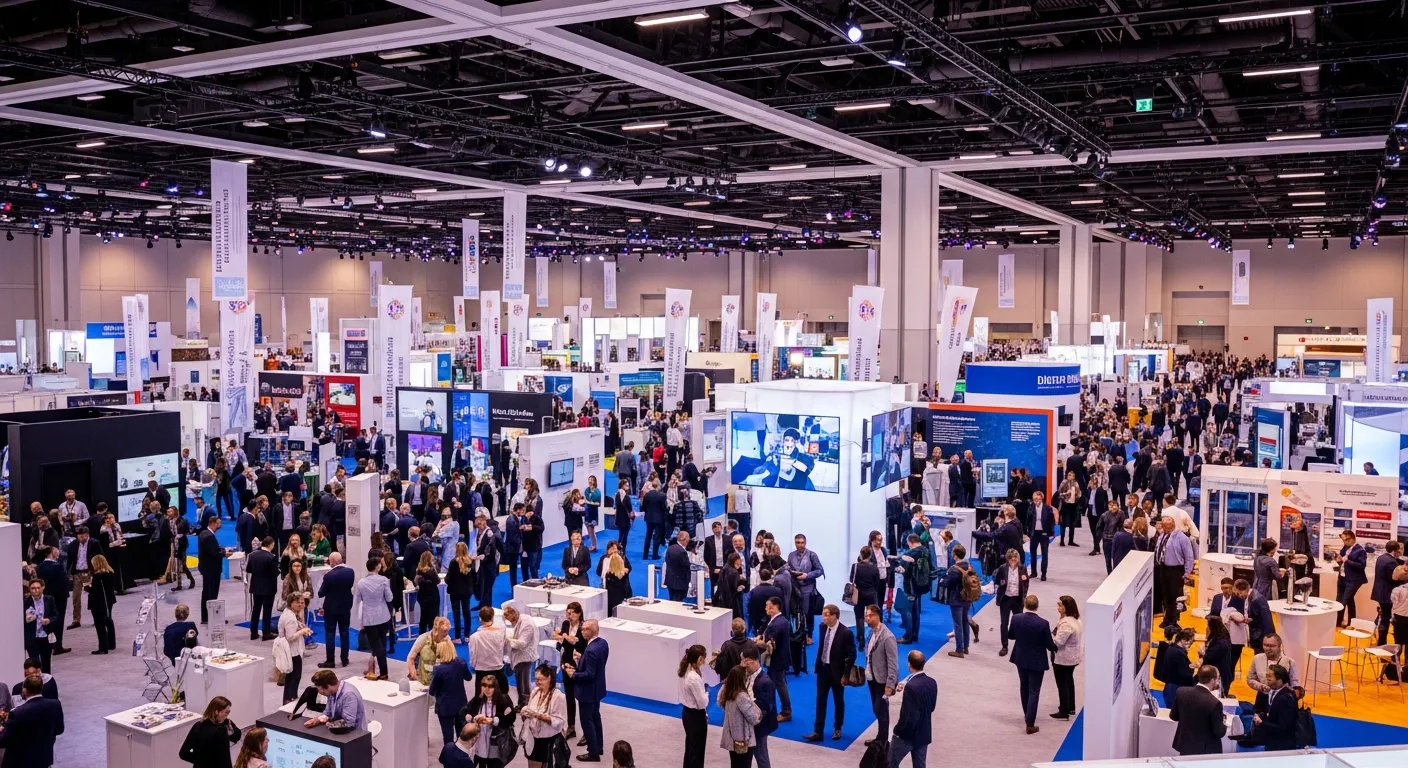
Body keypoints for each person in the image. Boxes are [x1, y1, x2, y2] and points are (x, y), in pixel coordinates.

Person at [803, 604, 855, 743]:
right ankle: (818, 731)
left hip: (838, 673)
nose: (823, 617)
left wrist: (846, 675)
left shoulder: (846, 633)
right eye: (823, 614)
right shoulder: (822, 627)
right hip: (823, 670)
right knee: (820, 700)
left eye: (826, 614)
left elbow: (852, 655)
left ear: (834, 616)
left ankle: (838, 728)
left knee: (838, 701)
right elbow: (821, 647)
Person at [1009, 594, 1058, 734]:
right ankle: (1030, 723)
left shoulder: (1016, 618)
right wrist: (1055, 647)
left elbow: (1011, 635)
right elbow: (1049, 644)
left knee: (1023, 686)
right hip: (1037, 660)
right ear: (1037, 606)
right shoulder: (1043, 623)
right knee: (1034, 690)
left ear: (1025, 604)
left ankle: (1027, 715)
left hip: (1020, 658)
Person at [564, 618, 609, 762]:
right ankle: (598, 746)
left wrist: (574, 674)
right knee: (595, 717)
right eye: (582, 629)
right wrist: (582, 659)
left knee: (586, 721)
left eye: (585, 629)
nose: (582, 631)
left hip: (588, 692)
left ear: (593, 630)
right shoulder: (602, 643)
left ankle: (593, 752)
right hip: (597, 689)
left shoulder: (591, 650)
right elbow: (595, 666)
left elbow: (589, 674)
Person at [0, 674, 64, 768]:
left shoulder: (17, 713)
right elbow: (59, 729)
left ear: (24, 690)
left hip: (20, 763)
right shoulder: (55, 705)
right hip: (44, 760)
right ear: (41, 688)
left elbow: (3, 741)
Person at [888, 650, 937, 768]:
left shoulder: (911, 688)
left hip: (906, 736)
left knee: (890, 764)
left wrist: (898, 731)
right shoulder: (932, 682)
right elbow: (932, 707)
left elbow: (909, 716)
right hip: (923, 733)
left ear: (909, 665)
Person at [1169, 665, 1227, 756]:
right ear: (1212, 680)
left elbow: (1173, 716)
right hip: (1205, 752)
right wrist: (1224, 722)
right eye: (1218, 678)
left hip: (1185, 746)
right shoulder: (1215, 703)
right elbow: (1219, 732)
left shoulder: (1181, 692)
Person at [862, 604, 898, 748]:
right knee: (877, 709)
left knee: (880, 709)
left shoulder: (888, 637)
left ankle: (883, 741)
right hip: (872, 678)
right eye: (866, 616)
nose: (867, 619)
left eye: (870, 616)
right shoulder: (872, 633)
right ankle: (881, 737)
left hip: (883, 680)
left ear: (878, 616)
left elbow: (893, 663)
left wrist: (890, 684)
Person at [522, 663, 569, 768]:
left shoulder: (558, 696)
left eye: (540, 679)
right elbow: (530, 711)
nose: (537, 682)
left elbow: (559, 722)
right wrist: (526, 713)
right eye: (536, 679)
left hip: (548, 741)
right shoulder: (535, 692)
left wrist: (537, 715)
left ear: (549, 678)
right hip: (533, 738)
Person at [355, 556, 394, 679]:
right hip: (383, 615)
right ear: (377, 567)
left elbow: (357, 599)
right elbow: (389, 598)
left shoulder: (361, 582)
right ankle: (381, 671)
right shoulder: (384, 580)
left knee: (376, 645)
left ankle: (382, 672)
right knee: (381, 643)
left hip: (369, 618)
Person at [552, 603, 587, 740]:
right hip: (566, 663)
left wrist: (564, 637)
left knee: (583, 698)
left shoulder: (584, 627)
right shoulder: (565, 623)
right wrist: (563, 637)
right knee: (569, 697)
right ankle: (571, 726)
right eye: (568, 612)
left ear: (579, 613)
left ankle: (586, 730)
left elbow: (576, 643)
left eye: (572, 612)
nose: (569, 615)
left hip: (580, 665)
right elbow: (559, 640)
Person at [1152, 516, 1195, 625]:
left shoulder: (1182, 538)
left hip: (1176, 570)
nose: (1162, 526)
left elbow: (1189, 556)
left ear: (1170, 526)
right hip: (1163, 568)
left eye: (1164, 525)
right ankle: (1168, 618)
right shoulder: (1162, 536)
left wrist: (1187, 572)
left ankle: (1174, 620)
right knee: (1166, 595)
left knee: (1175, 596)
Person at [429, 639, 472, 747]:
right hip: (461, 704)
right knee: (462, 735)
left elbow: (432, 691)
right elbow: (469, 677)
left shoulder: (438, 669)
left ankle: (449, 760)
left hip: (445, 707)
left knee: (448, 737)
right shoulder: (461, 662)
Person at [740, 646, 776, 768]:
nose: (743, 665)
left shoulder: (766, 682)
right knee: (748, 756)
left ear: (755, 660)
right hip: (750, 723)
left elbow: (766, 707)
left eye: (746, 662)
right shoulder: (748, 674)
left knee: (761, 755)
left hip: (759, 726)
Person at [717, 664, 761, 768]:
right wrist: (759, 714)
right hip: (743, 740)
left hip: (732, 739)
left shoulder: (727, 692)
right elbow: (754, 719)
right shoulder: (741, 696)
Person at [179, 696, 241, 768]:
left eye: (229, 711)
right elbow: (184, 752)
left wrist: (231, 729)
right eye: (226, 712)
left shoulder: (199, 725)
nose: (228, 714)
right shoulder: (216, 730)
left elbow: (237, 737)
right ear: (216, 711)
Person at [317, 552, 354, 669]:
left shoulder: (329, 576)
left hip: (331, 609)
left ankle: (330, 660)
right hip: (345, 607)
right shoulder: (350, 572)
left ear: (332, 562)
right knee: (345, 632)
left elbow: (321, 593)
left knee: (330, 633)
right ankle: (345, 659)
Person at [758, 596, 792, 721]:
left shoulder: (776, 623)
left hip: (776, 659)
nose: (766, 608)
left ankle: (786, 711)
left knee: (779, 684)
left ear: (776, 606)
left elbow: (768, 643)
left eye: (769, 606)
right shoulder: (781, 620)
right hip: (779, 658)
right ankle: (772, 709)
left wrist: (756, 642)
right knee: (774, 684)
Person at [1246, 633, 1300, 711]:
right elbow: (1250, 679)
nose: (1268, 648)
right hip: (1262, 699)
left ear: (1279, 646)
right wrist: (1260, 686)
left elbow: (1295, 683)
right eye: (1265, 645)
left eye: (1272, 646)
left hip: (1282, 701)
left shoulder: (1289, 662)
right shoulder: (1257, 659)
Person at [1050, 595, 1083, 720]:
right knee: (1069, 680)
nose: (1058, 607)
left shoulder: (1066, 624)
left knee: (1062, 683)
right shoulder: (1076, 619)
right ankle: (1070, 707)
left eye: (1060, 605)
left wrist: (1050, 637)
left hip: (1064, 658)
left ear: (1066, 607)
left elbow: (1058, 642)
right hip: (1073, 656)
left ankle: (1064, 711)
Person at [277, 594, 313, 702]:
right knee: (294, 678)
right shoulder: (290, 618)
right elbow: (290, 637)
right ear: (291, 602)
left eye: (302, 602)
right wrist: (302, 631)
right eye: (298, 602)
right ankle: (291, 700)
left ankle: (287, 700)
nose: (301, 604)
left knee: (290, 679)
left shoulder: (289, 614)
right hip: (293, 652)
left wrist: (300, 626)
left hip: (290, 652)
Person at [994, 548, 1029, 657]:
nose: (1013, 560)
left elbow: (1026, 582)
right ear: (1008, 559)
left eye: (1015, 558)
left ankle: (1020, 645)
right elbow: (997, 581)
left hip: (1018, 600)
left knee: (1019, 623)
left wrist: (1024, 596)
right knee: (1004, 623)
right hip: (1005, 599)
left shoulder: (1023, 568)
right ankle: (1004, 646)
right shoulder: (1002, 568)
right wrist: (1002, 582)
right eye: (1011, 558)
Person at [504, 601, 541, 705]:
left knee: (523, 682)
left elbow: (521, 644)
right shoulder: (521, 618)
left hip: (525, 656)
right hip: (520, 655)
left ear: (513, 614)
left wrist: (509, 640)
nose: (510, 623)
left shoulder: (526, 625)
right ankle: (522, 703)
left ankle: (525, 704)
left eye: (510, 620)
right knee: (520, 681)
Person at [678, 645, 709, 768]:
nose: (704, 663)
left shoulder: (685, 669)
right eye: (703, 660)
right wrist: (706, 693)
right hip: (696, 716)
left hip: (687, 713)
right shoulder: (693, 677)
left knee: (691, 747)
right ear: (699, 658)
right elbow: (702, 703)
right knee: (697, 751)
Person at [1253, 665, 1298, 751]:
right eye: (1266, 675)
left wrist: (1261, 723)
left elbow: (1283, 728)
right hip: (1271, 740)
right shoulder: (1267, 692)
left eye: (1270, 676)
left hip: (1282, 746)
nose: (1267, 678)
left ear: (1279, 680)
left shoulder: (1286, 700)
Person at [469, 606, 509, 692]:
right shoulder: (501, 632)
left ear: (480, 619)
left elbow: (473, 655)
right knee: (501, 698)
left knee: (481, 699)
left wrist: (474, 666)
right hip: (498, 669)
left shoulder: (474, 637)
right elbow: (505, 649)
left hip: (481, 671)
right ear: (493, 617)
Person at [1372, 541, 1404, 644]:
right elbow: (1393, 579)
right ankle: (1381, 645)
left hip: (1380, 592)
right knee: (1386, 620)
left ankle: (1379, 641)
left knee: (1382, 617)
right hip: (1387, 594)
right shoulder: (1391, 562)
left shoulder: (1381, 558)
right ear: (1395, 550)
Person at [247, 537, 279, 641]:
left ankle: (253, 632)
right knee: (267, 610)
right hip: (269, 587)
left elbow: (249, 569)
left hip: (256, 585)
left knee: (256, 609)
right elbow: (275, 573)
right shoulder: (271, 557)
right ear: (271, 545)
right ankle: (266, 633)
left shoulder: (252, 555)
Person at [86, 554, 119, 654]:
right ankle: (111, 643)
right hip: (109, 600)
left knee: (100, 624)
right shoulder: (110, 573)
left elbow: (96, 590)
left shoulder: (98, 576)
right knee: (108, 621)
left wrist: (87, 588)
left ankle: (103, 647)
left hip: (99, 603)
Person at [1334, 529, 1368, 626]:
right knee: (1344, 600)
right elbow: (1342, 561)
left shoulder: (1360, 551)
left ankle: (1337, 623)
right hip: (1342, 578)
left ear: (1352, 539)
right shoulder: (1345, 548)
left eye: (1345, 540)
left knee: (1343, 602)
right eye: (1343, 540)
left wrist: (1347, 561)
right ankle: (1351, 622)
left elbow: (1362, 566)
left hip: (1353, 580)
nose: (1344, 542)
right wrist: (1338, 560)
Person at [197, 517, 226, 625]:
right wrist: (224, 553)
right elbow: (215, 553)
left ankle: (206, 617)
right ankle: (210, 617)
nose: (220, 525)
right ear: (213, 523)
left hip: (207, 568)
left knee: (206, 592)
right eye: (218, 523)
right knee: (211, 593)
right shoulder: (209, 536)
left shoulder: (204, 533)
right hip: (211, 569)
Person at [445, 543, 476, 644]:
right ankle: (467, 636)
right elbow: (475, 578)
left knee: (456, 613)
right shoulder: (470, 561)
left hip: (455, 591)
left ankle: (457, 637)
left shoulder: (453, 562)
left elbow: (448, 578)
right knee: (467, 612)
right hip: (467, 591)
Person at [23, 579, 56, 673]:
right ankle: (36, 682)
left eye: (38, 588)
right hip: (32, 636)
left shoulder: (49, 599)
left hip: (45, 635)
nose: (35, 590)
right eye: (33, 588)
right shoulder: (26, 602)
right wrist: (26, 619)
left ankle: (47, 682)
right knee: (34, 663)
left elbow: (55, 615)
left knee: (46, 662)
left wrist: (49, 620)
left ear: (43, 588)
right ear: (29, 589)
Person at [1162, 628, 1198, 704]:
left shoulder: (1171, 649)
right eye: (1190, 642)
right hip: (1176, 690)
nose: (1190, 645)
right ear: (1183, 640)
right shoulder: (1179, 653)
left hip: (1171, 688)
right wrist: (1192, 668)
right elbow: (1185, 673)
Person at [664, 530, 692, 602]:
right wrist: (688, 581)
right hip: (680, 583)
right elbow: (686, 567)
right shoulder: (682, 552)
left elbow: (666, 561)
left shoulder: (670, 548)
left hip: (670, 581)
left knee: (672, 600)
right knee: (678, 603)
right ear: (684, 539)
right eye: (688, 539)